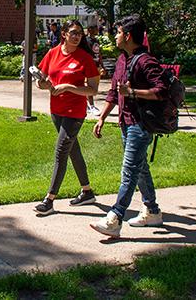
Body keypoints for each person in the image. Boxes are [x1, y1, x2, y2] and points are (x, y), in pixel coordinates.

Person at [90, 14, 168, 237]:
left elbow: (161, 91)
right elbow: (114, 92)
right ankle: (152, 212)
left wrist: (133, 92)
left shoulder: (146, 61)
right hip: (125, 123)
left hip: (141, 125)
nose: (115, 36)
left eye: (118, 32)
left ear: (128, 35)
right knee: (141, 168)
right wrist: (103, 117)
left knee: (129, 172)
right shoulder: (123, 59)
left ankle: (115, 218)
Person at [33, 19, 101, 215]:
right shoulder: (53, 53)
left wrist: (69, 87)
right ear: (63, 34)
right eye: (73, 32)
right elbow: (42, 80)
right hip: (57, 110)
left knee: (61, 151)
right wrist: (43, 84)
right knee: (73, 150)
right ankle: (87, 192)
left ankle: (49, 200)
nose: (77, 36)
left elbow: (93, 90)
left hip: (75, 112)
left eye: (79, 33)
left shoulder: (84, 58)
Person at [85, 25, 102, 116]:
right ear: (89, 29)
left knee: (94, 86)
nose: (97, 30)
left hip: (96, 65)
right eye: (95, 29)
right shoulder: (86, 41)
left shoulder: (96, 40)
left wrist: (101, 64)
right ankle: (91, 106)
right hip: (89, 66)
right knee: (89, 86)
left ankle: (86, 105)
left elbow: (98, 52)